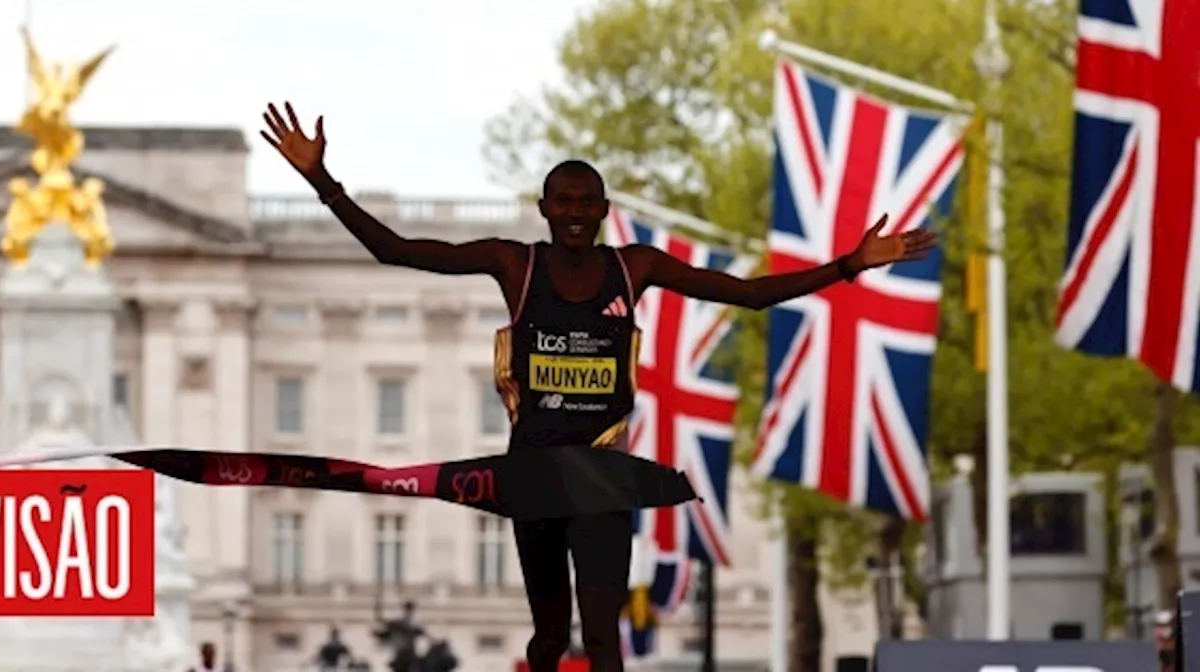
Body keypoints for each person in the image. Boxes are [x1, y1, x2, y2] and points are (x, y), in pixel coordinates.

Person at [261, 102, 935, 672]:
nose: (576, 212)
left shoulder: (633, 266)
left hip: (602, 478)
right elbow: (397, 250)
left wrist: (849, 264)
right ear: (545, 208)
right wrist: (324, 180)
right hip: (531, 476)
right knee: (549, 636)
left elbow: (749, 295)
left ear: (605, 210)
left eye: (587, 202)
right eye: (564, 201)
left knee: (605, 636)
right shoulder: (513, 262)